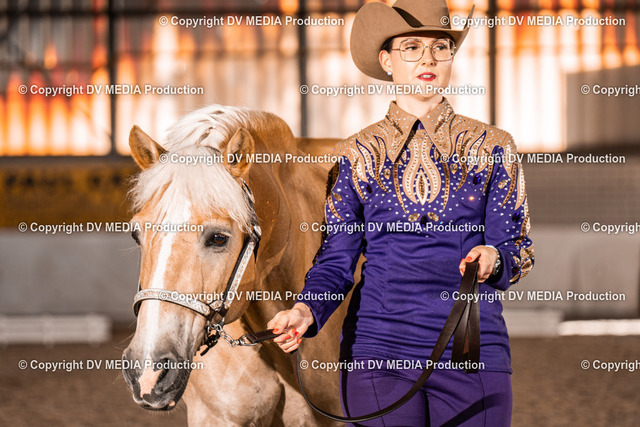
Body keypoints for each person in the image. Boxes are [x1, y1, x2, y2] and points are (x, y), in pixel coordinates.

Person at [267, 0, 534, 425]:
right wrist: (306, 311)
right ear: (387, 61)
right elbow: (335, 260)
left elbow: (518, 248)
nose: (428, 58)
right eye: (411, 47)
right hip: (378, 353)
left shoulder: (493, 147)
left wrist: (494, 257)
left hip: (472, 352)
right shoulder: (356, 155)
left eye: (440, 47)